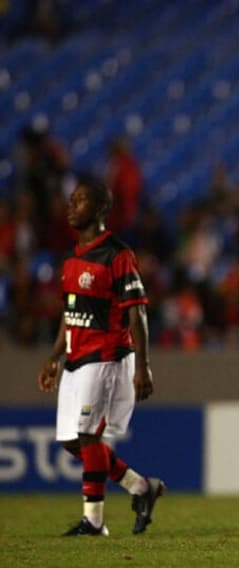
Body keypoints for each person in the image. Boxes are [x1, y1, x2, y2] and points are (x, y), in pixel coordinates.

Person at [36, 176, 165, 536]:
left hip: (107, 355)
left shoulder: (118, 255)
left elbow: (136, 313)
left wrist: (143, 365)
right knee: (70, 440)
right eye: (71, 200)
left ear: (100, 208)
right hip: (76, 359)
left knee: (89, 437)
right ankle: (141, 487)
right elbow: (70, 312)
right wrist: (55, 355)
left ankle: (93, 522)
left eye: (78, 200)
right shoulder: (72, 261)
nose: (70, 205)